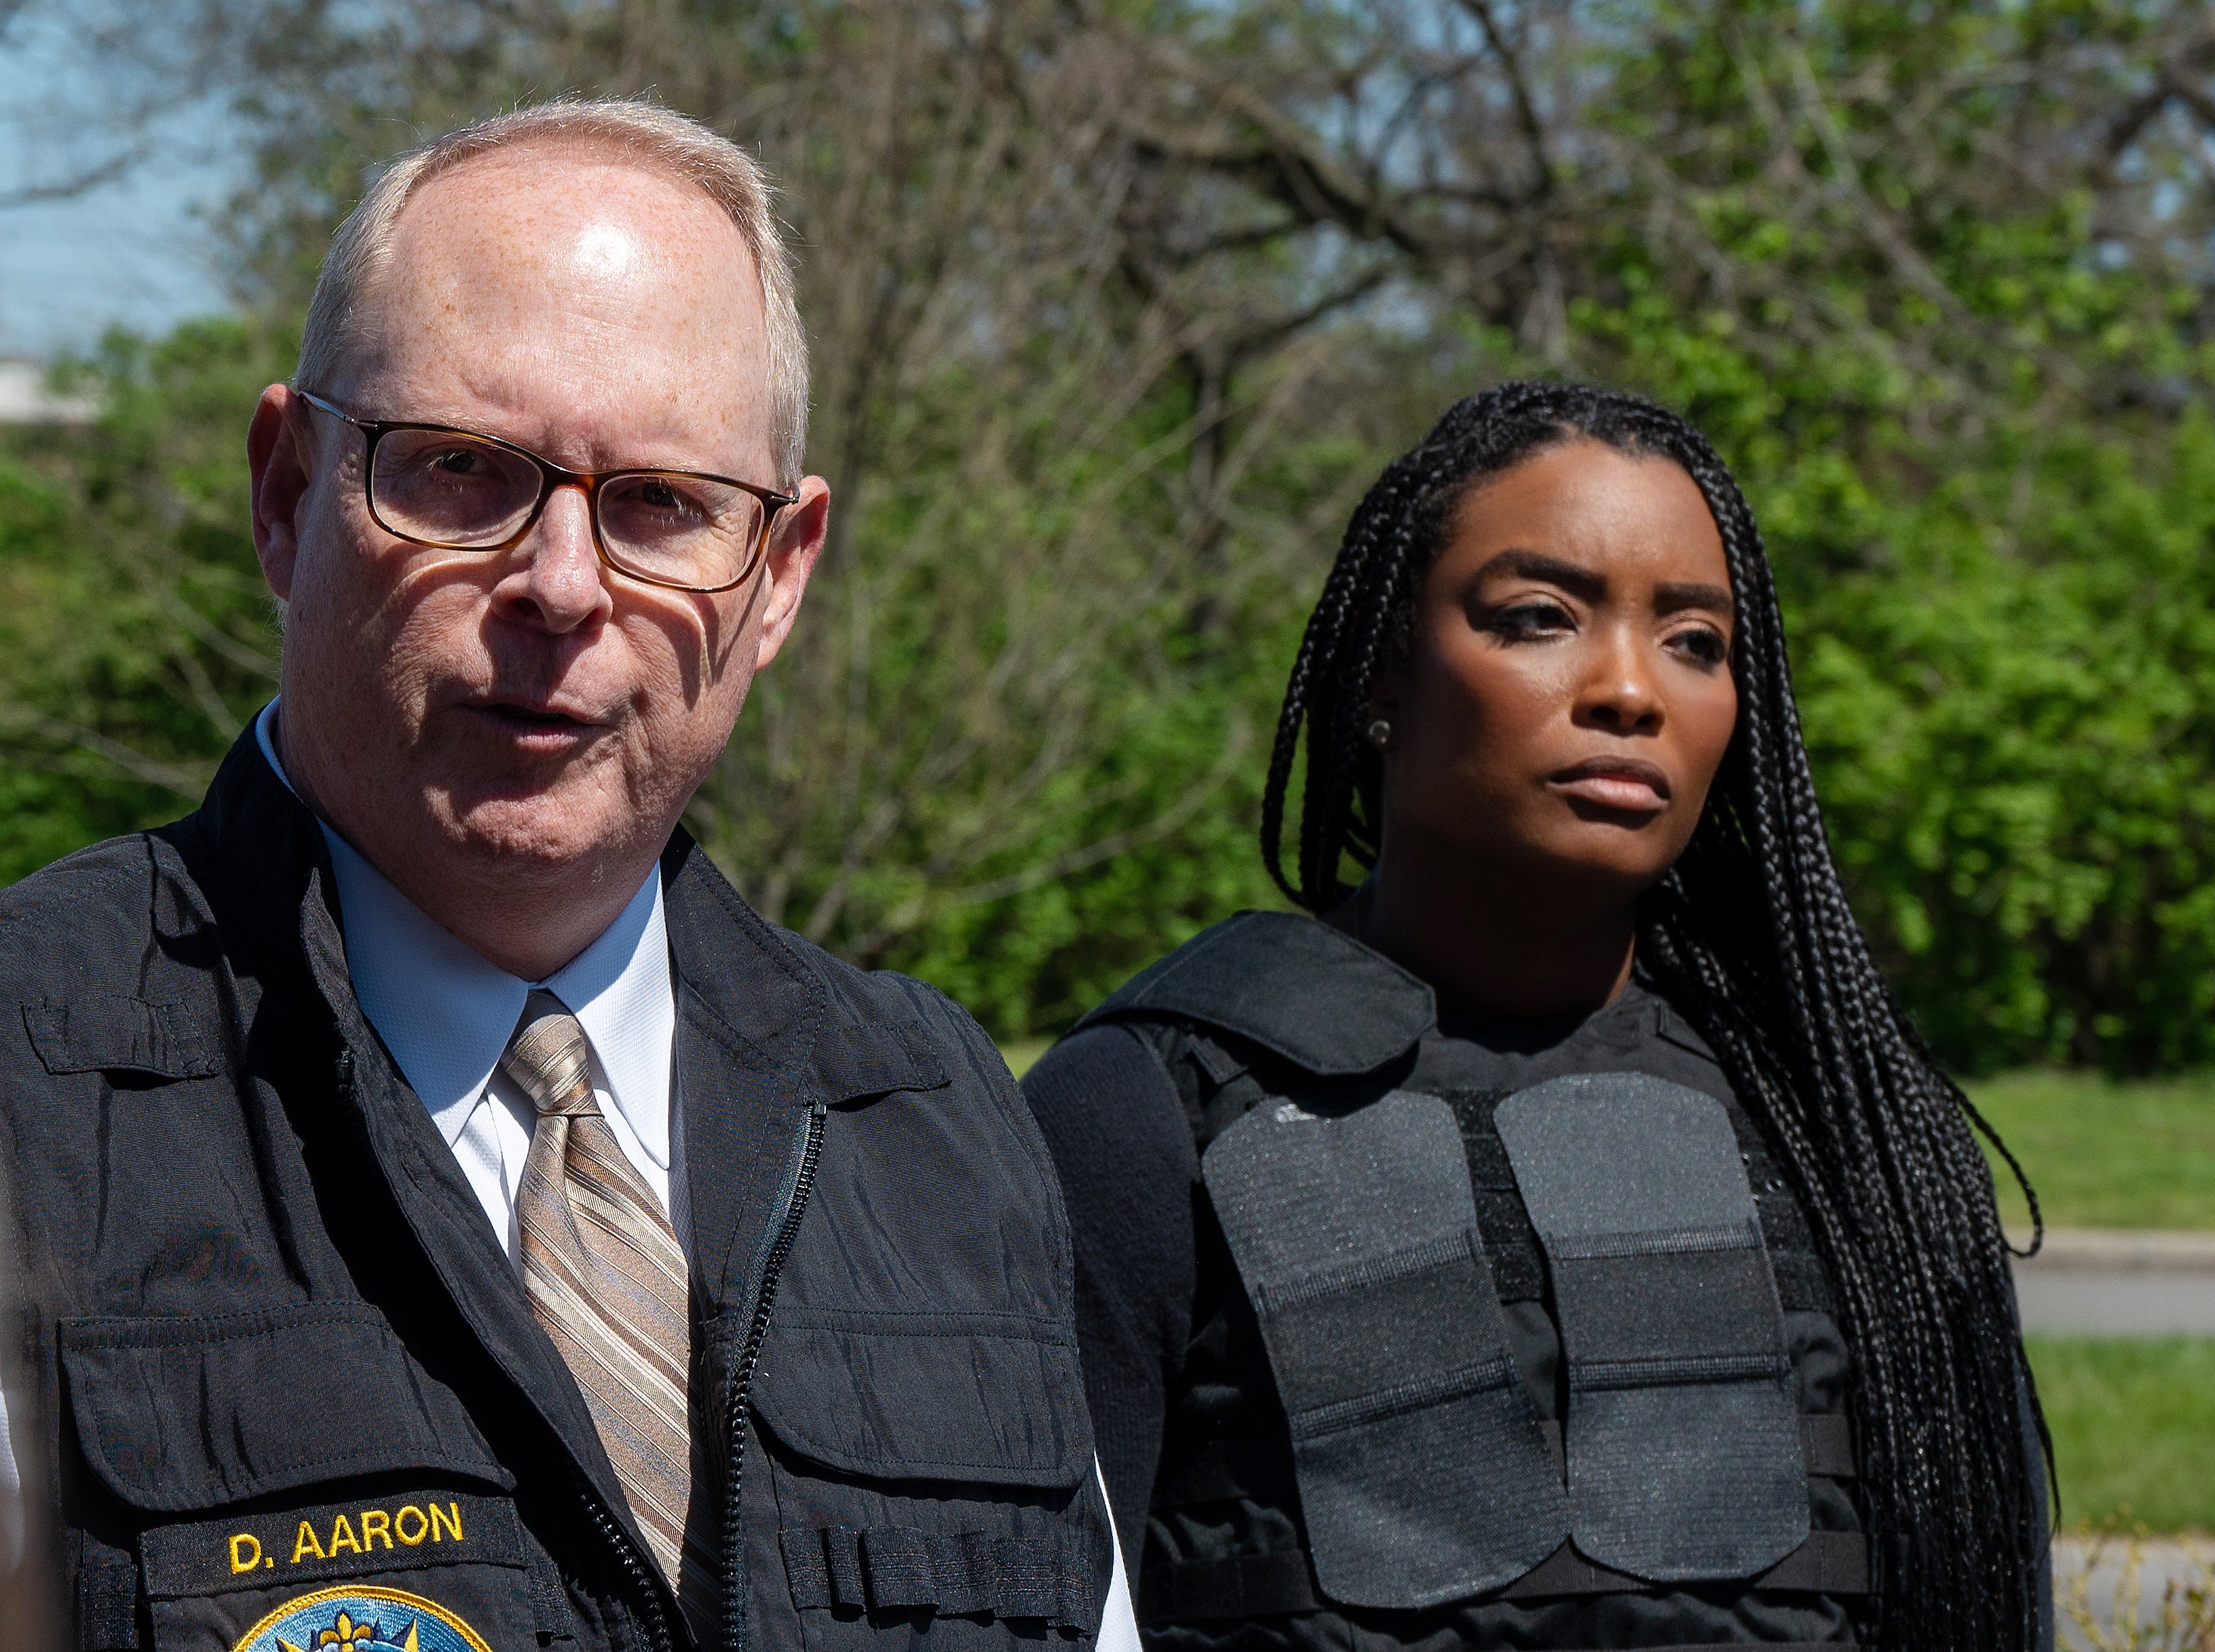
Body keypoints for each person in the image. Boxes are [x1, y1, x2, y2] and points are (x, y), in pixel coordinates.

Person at [0, 100, 1135, 1652]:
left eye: (665, 503)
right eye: (461, 469)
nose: (562, 585)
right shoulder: (26, 1091)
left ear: (780, 578)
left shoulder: (940, 1122)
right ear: (283, 495)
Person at [1023, 382, 2051, 1652]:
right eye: (1541, 618)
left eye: (1696, 642)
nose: (1632, 689)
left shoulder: (1851, 1139)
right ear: (1388, 672)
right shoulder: (1145, 1108)